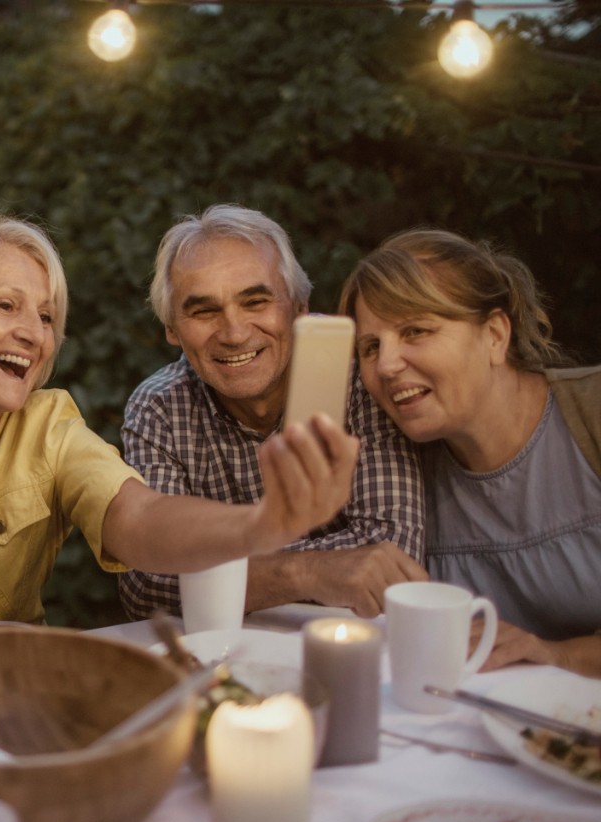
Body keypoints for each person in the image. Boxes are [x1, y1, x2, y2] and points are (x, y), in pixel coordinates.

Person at [0, 212, 361, 650]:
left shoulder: (51, 429)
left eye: (47, 316)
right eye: (7, 305)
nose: (35, 332)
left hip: (8, 704)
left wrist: (262, 525)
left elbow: (140, 519)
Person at [119, 205, 427, 623]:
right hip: (229, 657)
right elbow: (145, 585)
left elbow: (391, 549)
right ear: (172, 327)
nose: (234, 333)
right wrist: (306, 572)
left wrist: (210, 568)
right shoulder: (158, 406)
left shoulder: (359, 372)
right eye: (204, 310)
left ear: (299, 307)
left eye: (256, 301)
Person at [339, 228, 601, 678]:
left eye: (415, 330)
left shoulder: (591, 413)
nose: (385, 364)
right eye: (370, 346)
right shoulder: (394, 466)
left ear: (496, 335)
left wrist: (556, 655)